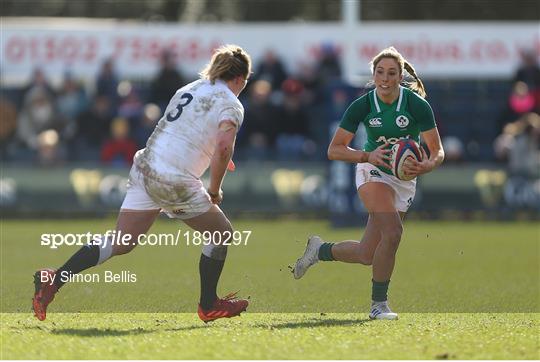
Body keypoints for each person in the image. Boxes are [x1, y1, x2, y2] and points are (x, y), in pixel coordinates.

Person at [32, 44, 252, 323]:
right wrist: (213, 188)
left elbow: (184, 134)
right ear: (241, 79)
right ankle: (208, 304)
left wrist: (216, 156)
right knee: (222, 234)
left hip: (146, 166)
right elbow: (222, 146)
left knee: (121, 242)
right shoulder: (231, 102)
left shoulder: (190, 88)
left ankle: (55, 278)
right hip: (173, 180)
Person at [292, 46, 444, 320]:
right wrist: (367, 155)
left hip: (404, 179)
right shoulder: (362, 105)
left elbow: (437, 150)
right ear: (373, 75)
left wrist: (428, 164)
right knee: (393, 233)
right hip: (371, 171)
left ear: (400, 77)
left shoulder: (416, 105)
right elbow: (334, 149)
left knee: (366, 254)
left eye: (391, 73)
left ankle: (319, 251)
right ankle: (378, 305)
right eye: (380, 72)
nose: (385, 78)